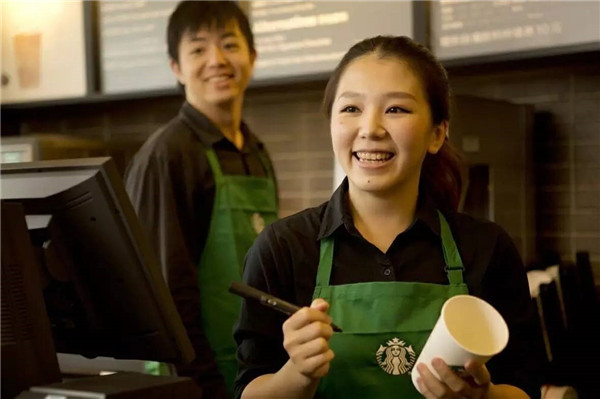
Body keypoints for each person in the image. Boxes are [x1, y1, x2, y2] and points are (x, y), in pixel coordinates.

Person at [233, 36, 541, 399]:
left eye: (396, 109)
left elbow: (526, 389)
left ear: (437, 133)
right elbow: (249, 390)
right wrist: (297, 374)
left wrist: (482, 396)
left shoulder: (487, 248)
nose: (371, 129)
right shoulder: (282, 247)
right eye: (351, 109)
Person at [124, 1, 278, 397]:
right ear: (176, 67)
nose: (217, 60)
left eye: (229, 44)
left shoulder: (257, 151)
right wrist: (202, 384)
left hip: (256, 372)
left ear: (252, 56)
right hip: (195, 378)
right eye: (198, 49)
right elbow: (165, 291)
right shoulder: (168, 155)